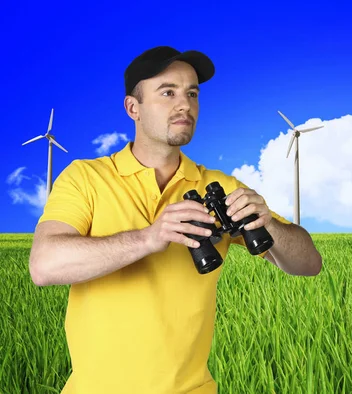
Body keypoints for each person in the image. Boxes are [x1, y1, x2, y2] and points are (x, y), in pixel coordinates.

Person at [28, 45, 323, 394]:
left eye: (192, 93)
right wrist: (149, 238)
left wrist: (269, 225)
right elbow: (44, 266)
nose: (185, 104)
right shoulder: (87, 178)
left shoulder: (222, 187)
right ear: (132, 108)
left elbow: (309, 264)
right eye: (168, 92)